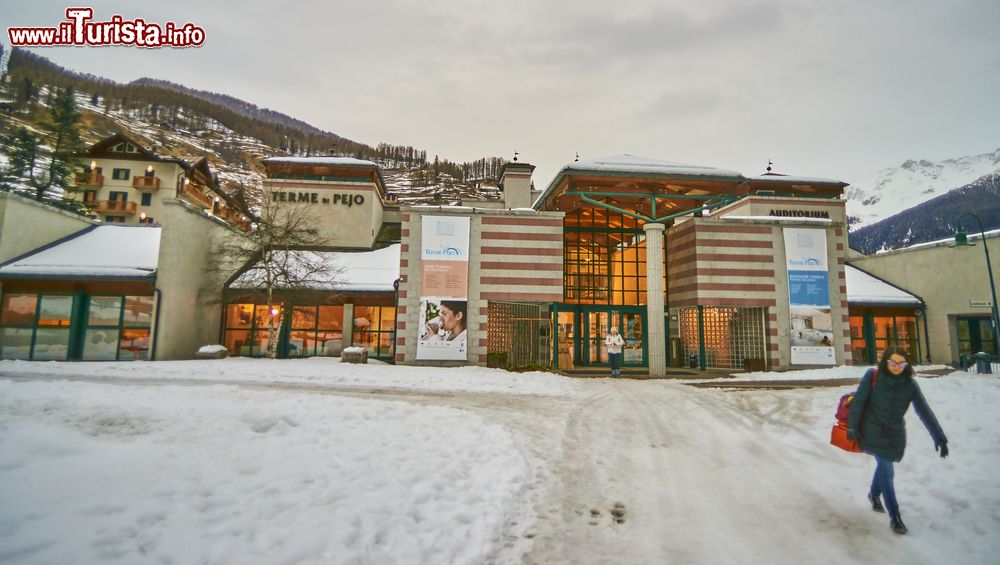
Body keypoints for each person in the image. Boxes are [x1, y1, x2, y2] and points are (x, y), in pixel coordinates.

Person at [847, 347, 948, 535]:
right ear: (886, 362)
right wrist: (852, 426)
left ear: (906, 364)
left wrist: (939, 437)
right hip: (872, 430)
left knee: (884, 466)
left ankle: (874, 494)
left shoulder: (910, 385)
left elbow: (924, 411)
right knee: (887, 470)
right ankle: (895, 517)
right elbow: (859, 401)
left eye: (901, 363)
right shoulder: (873, 376)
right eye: (892, 362)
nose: (896, 367)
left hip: (895, 434)